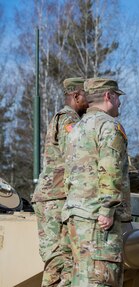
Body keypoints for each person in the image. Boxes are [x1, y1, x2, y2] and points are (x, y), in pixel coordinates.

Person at [62, 78, 129, 287]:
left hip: (76, 215)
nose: (119, 103)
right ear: (109, 96)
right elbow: (110, 167)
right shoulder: (109, 125)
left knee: (82, 277)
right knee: (101, 278)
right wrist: (107, 209)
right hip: (97, 218)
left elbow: (71, 173)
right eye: (117, 98)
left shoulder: (76, 128)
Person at [32, 77, 88, 286]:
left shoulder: (72, 119)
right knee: (58, 258)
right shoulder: (67, 119)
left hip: (59, 195)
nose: (90, 101)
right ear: (76, 96)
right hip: (53, 197)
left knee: (65, 259)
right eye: (86, 96)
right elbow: (75, 152)